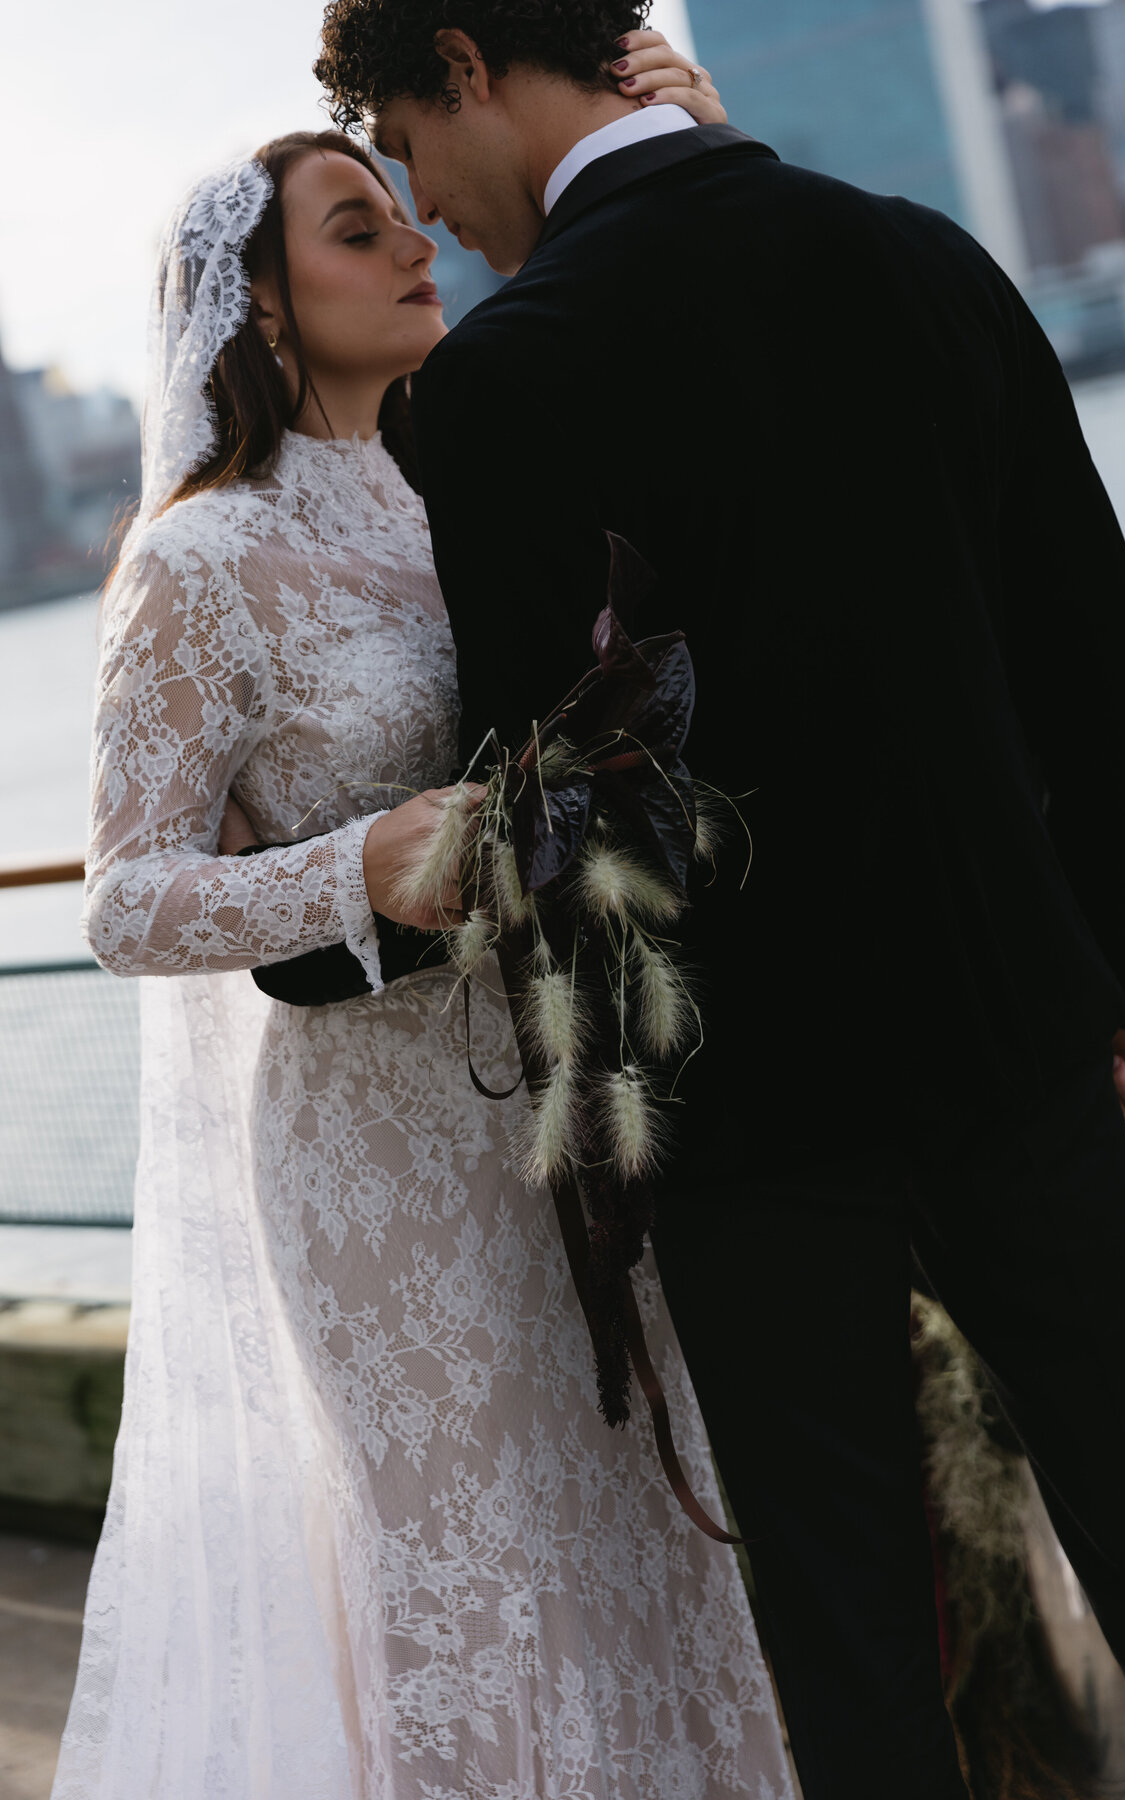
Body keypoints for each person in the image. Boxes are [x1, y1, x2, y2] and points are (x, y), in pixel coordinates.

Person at [295, 3, 1125, 1797]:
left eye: (409, 134)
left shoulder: (513, 371)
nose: (428, 198)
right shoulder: (921, 253)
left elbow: (551, 800)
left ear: (470, 62)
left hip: (747, 1104)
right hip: (1017, 1028)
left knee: (852, 1636)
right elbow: (1092, 641)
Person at [54, 62, 801, 1800]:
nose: (413, 245)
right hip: (375, 1162)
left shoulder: (455, 490)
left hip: (560, 1115)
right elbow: (123, 898)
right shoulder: (199, 562)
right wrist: (359, 866)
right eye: (356, 226)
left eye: (406, 214)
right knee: (473, 1586)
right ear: (256, 300)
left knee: (647, 1552)